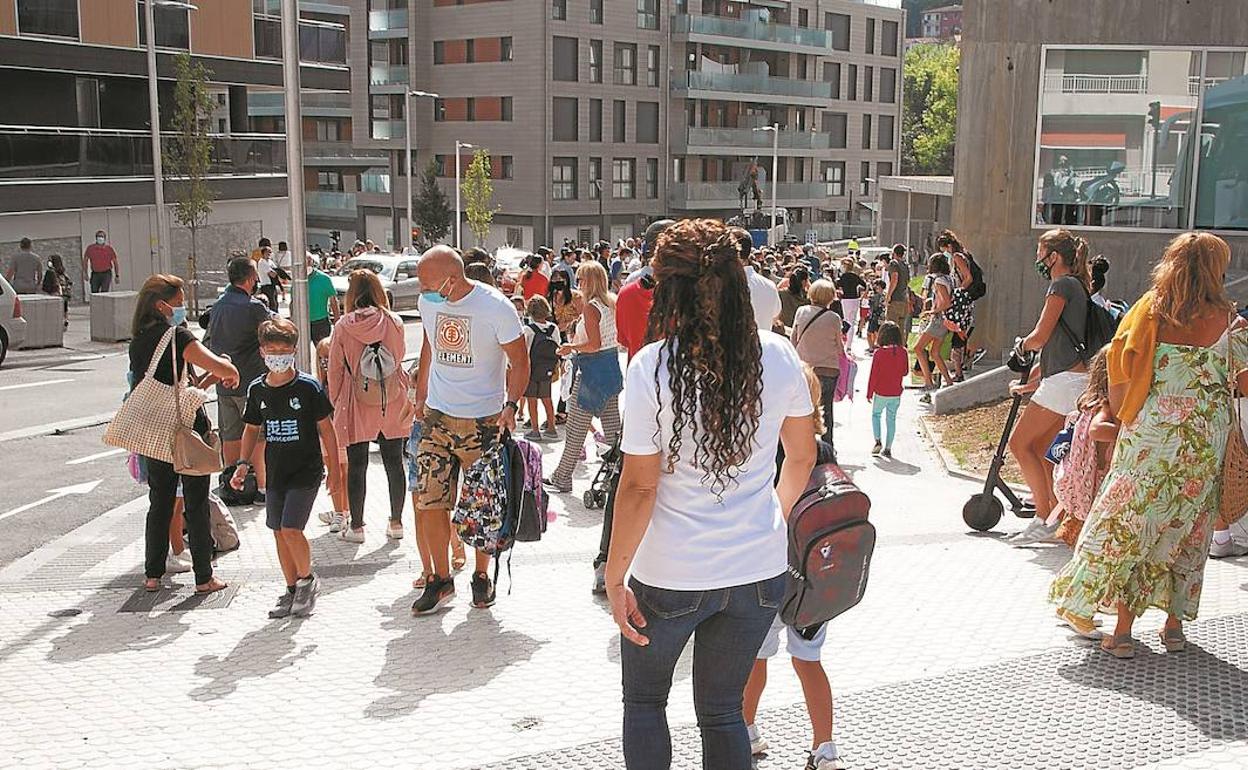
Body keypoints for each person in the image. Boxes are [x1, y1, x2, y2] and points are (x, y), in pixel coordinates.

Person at [605, 218, 817, 770]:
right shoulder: (777, 354)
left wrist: (613, 572)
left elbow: (640, 486)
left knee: (646, 702)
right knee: (723, 712)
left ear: (668, 288)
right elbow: (801, 456)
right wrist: (775, 514)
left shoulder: (652, 367)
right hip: (757, 569)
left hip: (670, 573)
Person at [1050, 232, 1248, 658]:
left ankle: (1119, 630)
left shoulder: (1150, 312)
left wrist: (1124, 415)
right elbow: (1244, 384)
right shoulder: (1228, 318)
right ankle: (1173, 627)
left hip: (1151, 435)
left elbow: (1118, 364)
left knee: (1130, 523)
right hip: (1204, 439)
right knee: (1189, 528)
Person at [409, 246, 529, 615]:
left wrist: (512, 405)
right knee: (429, 502)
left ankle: (481, 576)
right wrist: (421, 394)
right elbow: (430, 342)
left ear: (453, 278)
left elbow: (520, 360)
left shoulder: (496, 309)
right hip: (437, 417)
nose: (422, 290)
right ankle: (440, 580)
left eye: (428, 283)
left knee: (482, 505)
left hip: (484, 422)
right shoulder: (429, 303)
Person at [744, 368, 843, 770]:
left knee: (756, 659)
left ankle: (746, 732)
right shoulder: (825, 448)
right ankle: (825, 748)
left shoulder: (769, 446)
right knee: (809, 661)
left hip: (772, 570)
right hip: (816, 579)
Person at [129, 275, 238, 594]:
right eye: (178, 303)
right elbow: (215, 363)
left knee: (159, 502)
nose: (181, 309)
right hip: (187, 430)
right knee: (196, 501)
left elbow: (175, 386)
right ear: (161, 305)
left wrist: (207, 379)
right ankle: (204, 577)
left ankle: (152, 575)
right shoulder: (176, 336)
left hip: (155, 429)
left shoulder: (139, 339)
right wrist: (227, 370)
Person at [234, 317, 339, 618]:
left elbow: (327, 430)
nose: (278, 354)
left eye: (285, 348)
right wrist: (243, 465)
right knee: (278, 531)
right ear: (262, 351)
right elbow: (251, 429)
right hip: (276, 472)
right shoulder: (257, 390)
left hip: (305, 471)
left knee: (292, 528)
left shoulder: (307, 387)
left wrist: (333, 469)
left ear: (293, 350)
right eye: (272, 348)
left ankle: (307, 581)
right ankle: (291, 588)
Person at [1007, 228, 1092, 539]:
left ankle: (1042, 517)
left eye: (1040, 253)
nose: (1037, 260)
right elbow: (1058, 344)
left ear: (1054, 256)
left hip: (1064, 382)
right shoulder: (1079, 286)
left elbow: (1041, 336)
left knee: (1019, 444)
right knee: (1043, 449)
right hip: (1073, 379)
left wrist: (1022, 345)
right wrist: (1032, 382)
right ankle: (1055, 514)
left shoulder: (1060, 286)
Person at [327, 270, 412, 544]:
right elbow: (398, 358)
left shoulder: (342, 325)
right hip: (391, 397)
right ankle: (396, 522)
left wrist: (335, 400)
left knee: (357, 464)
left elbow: (335, 368)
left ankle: (358, 527)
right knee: (394, 462)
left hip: (356, 398)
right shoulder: (394, 322)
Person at [544, 261, 622, 493]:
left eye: (581, 280)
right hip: (611, 369)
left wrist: (571, 347)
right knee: (613, 431)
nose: (578, 284)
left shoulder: (592, 307)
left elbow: (593, 344)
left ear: (591, 282)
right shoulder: (612, 303)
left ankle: (562, 477)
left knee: (576, 428)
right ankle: (620, 476)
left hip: (591, 372)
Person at [208, 256, 274, 501]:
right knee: (256, 435)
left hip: (223, 381)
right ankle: (260, 488)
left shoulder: (218, 305)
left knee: (230, 435)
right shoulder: (253, 307)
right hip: (251, 381)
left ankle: (231, 485)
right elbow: (273, 328)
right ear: (249, 279)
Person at [791, 279, 844, 452]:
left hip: (804, 370)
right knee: (826, 410)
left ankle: (804, 446)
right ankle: (828, 448)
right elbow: (840, 347)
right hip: (828, 370)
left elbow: (793, 339)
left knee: (804, 409)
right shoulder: (834, 318)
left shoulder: (801, 312)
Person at [913, 253, 955, 401]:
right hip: (944, 321)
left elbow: (946, 302)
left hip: (938, 319)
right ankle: (948, 381)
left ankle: (928, 382)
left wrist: (932, 311)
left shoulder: (938, 281)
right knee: (935, 353)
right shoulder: (949, 279)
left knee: (918, 348)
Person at [521, 295, 560, 441]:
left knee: (532, 400)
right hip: (547, 369)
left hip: (532, 370)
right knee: (547, 398)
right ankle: (551, 427)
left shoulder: (528, 330)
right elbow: (558, 346)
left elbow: (525, 351)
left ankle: (535, 430)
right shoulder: (553, 328)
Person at [867, 321, 907, 458]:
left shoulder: (879, 353)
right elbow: (905, 372)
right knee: (891, 419)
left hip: (881, 391)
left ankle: (878, 440)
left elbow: (873, 374)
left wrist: (869, 392)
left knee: (876, 415)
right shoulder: (903, 352)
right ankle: (888, 448)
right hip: (896, 392)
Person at [306, 251, 339, 345]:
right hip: (303, 322)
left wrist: (337, 319)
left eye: (309, 261)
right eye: (305, 261)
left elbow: (333, 300)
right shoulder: (298, 281)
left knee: (323, 352)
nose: (308, 264)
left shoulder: (323, 278)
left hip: (320, 322)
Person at [82, 230, 120, 295]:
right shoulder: (91, 248)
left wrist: (117, 275)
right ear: (96, 238)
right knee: (94, 292)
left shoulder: (109, 249)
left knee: (104, 292)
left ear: (104, 238)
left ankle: (104, 304)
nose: (100, 238)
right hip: (95, 274)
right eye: (98, 236)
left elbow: (115, 262)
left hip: (106, 274)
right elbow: (85, 260)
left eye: (102, 236)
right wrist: (85, 273)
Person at [835, 259, 866, 337]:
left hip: (846, 300)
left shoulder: (843, 276)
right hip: (855, 299)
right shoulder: (855, 276)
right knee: (852, 321)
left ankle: (845, 338)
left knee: (846, 320)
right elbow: (864, 285)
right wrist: (860, 292)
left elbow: (838, 286)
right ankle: (849, 344)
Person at [883, 244, 911, 328]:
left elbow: (894, 279)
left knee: (891, 327)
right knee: (901, 328)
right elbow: (908, 281)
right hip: (903, 300)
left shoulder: (894, 263)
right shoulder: (905, 265)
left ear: (894, 253)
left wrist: (888, 296)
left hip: (895, 299)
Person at [41, 254, 71, 327]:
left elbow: (46, 285)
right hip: (64, 295)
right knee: (64, 308)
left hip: (54, 293)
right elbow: (69, 283)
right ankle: (65, 320)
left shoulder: (50, 272)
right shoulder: (63, 273)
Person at [779, 266, 811, 332]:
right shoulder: (808, 300)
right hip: (799, 333)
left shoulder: (781, 294)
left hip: (783, 330)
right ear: (804, 282)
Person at [256, 246, 280, 312]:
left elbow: (276, 271)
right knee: (271, 304)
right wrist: (276, 272)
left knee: (275, 303)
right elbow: (272, 274)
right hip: (266, 286)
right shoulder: (262, 262)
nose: (269, 254)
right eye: (268, 252)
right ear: (263, 253)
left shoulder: (270, 262)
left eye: (270, 252)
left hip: (272, 285)